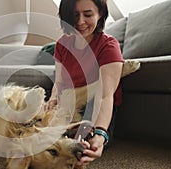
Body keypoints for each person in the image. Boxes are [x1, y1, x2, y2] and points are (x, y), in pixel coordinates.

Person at [45, 0, 124, 166]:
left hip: (94, 103)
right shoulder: (62, 44)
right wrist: (53, 99)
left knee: (80, 144)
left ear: (100, 14)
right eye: (74, 15)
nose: (80, 22)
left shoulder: (108, 46)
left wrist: (101, 134)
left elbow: (104, 96)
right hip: (69, 100)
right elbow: (59, 82)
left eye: (88, 15)